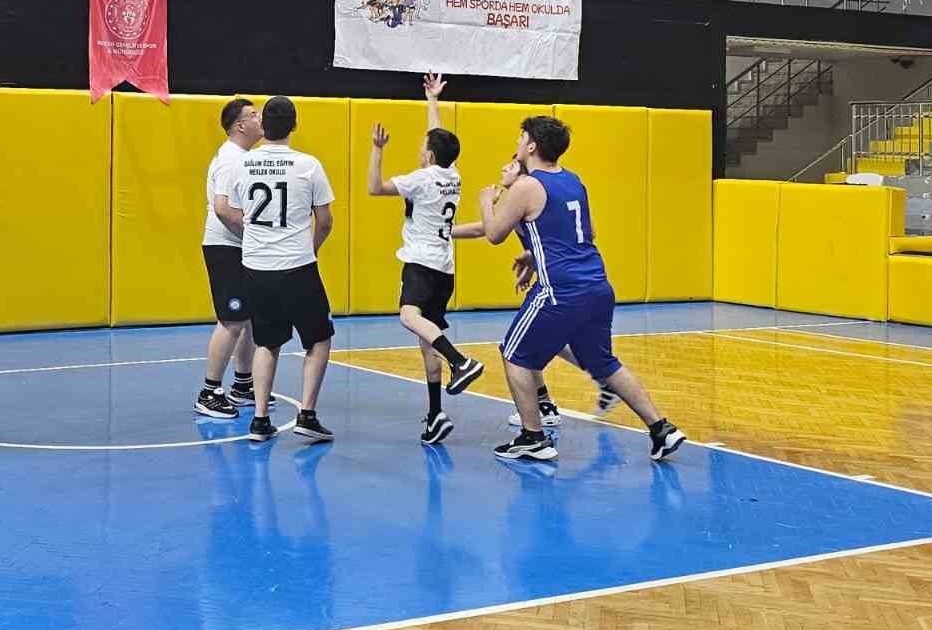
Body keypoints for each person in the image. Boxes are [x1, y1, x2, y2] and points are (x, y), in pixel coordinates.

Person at [475, 114, 684, 463]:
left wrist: (485, 200)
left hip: (560, 289)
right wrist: (534, 254)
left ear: (531, 146)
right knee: (604, 363)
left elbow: (494, 233)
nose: (517, 144)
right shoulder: (573, 181)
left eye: (521, 138)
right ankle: (661, 428)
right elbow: (587, 234)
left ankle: (533, 437)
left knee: (514, 353)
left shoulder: (527, 186)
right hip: (597, 286)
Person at [366, 73, 485, 445]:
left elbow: (374, 188)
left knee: (408, 316)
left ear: (430, 155)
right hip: (445, 267)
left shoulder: (420, 179)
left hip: (421, 262)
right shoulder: (453, 175)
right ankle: (435, 415)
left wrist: (377, 149)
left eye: (423, 146)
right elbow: (437, 135)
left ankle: (460, 361)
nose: (420, 149)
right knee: (425, 337)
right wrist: (433, 100)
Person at [221, 96, 337, 444]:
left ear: (263, 126)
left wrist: (256, 239)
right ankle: (307, 415)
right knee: (319, 338)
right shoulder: (308, 165)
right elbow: (325, 221)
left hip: (256, 266)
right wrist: (310, 248)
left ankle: (259, 420)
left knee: (266, 342)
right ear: (294, 125)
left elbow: (229, 210)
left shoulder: (242, 164)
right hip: (297, 265)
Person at [194, 97, 265, 419]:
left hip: (240, 247)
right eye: (254, 115)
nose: (260, 119)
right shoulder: (231, 160)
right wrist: (251, 233)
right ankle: (209, 392)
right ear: (240, 125)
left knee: (248, 317)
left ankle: (243, 384)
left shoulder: (244, 157)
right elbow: (223, 209)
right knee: (232, 320)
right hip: (225, 247)